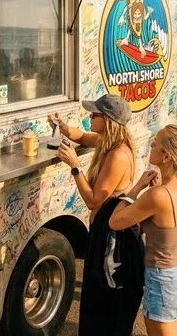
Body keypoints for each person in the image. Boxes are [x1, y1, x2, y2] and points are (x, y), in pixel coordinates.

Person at [53, 94, 139, 335]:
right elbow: (81, 136)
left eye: (94, 114)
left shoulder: (118, 155)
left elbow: (93, 201)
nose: (89, 117)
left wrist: (74, 166)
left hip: (109, 234)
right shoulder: (107, 142)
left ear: (108, 120)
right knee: (95, 296)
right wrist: (63, 128)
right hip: (102, 229)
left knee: (101, 298)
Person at [109, 125, 177, 336]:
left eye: (156, 143)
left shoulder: (158, 195)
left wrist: (135, 189)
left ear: (167, 156)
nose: (151, 144)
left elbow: (115, 222)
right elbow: (169, 226)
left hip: (165, 279)